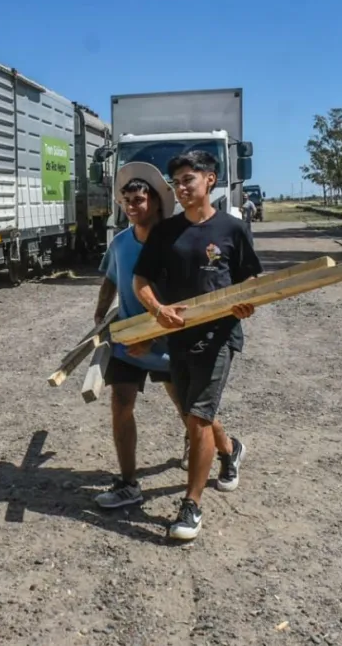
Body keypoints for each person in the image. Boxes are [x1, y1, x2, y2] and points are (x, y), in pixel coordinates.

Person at [131, 150, 263, 542]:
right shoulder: (166, 232)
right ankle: (230, 449)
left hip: (219, 336)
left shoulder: (232, 229)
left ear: (210, 179)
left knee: (198, 418)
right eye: (176, 183)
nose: (181, 188)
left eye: (188, 179)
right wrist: (157, 311)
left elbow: (250, 280)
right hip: (178, 335)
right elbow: (142, 282)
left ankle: (192, 505)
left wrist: (246, 302)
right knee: (191, 411)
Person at [92, 161, 191, 510]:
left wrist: (153, 336)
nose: (132, 207)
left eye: (138, 200)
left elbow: (187, 297)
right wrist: (99, 316)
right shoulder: (120, 242)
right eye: (126, 201)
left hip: (167, 338)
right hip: (127, 338)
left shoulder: (177, 242)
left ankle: (225, 448)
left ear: (155, 201)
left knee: (187, 407)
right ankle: (127, 483)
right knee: (120, 405)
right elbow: (110, 279)